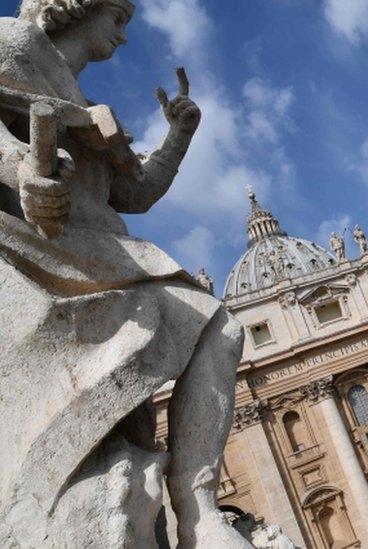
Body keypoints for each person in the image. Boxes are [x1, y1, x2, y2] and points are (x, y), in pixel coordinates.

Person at [0, 1, 247, 547]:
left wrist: (178, 136)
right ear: (76, 6)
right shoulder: (12, 44)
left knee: (215, 333)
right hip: (50, 251)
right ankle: (197, 509)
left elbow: (134, 193)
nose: (124, 37)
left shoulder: (88, 103)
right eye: (118, 19)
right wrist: (22, 170)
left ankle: (196, 505)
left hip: (104, 252)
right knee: (216, 325)